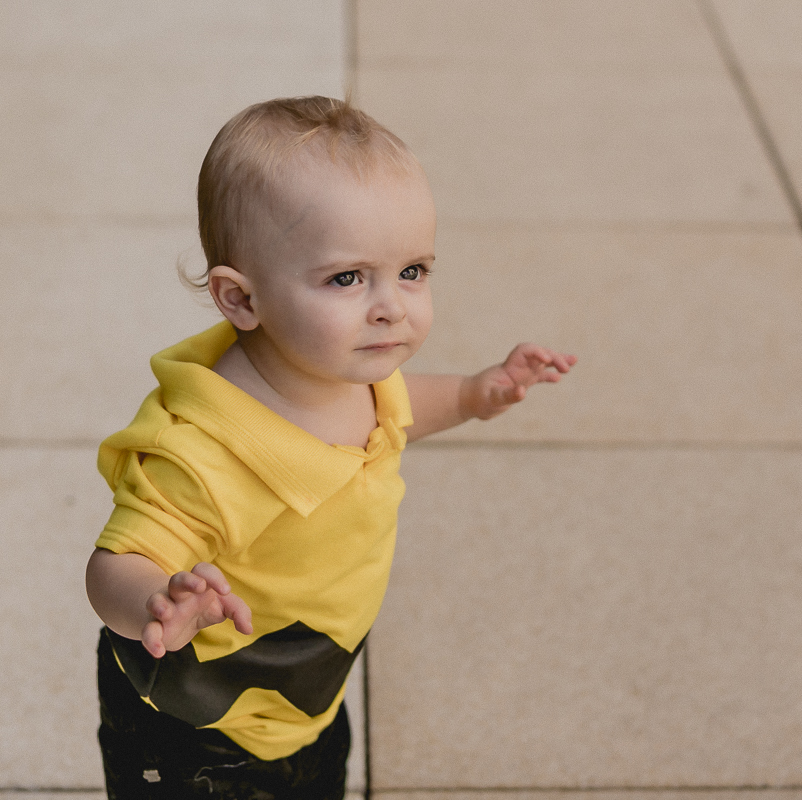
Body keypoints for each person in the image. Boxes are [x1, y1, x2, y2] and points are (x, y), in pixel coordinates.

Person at [84, 95, 576, 799]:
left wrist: (472, 394)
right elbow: (114, 565)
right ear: (241, 300)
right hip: (194, 727)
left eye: (413, 271)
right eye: (347, 278)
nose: (391, 307)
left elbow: (395, 413)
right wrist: (157, 602)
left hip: (301, 696)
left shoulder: (348, 373)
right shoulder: (204, 452)